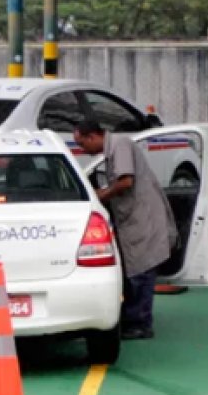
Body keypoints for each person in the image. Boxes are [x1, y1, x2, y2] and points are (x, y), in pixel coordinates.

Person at [74, 121, 177, 340]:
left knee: (141, 270)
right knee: (137, 269)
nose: (83, 150)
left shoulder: (120, 145)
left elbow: (125, 181)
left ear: (93, 136)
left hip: (143, 218)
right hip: (136, 218)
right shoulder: (114, 149)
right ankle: (134, 319)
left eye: (82, 144)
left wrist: (101, 195)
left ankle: (140, 323)